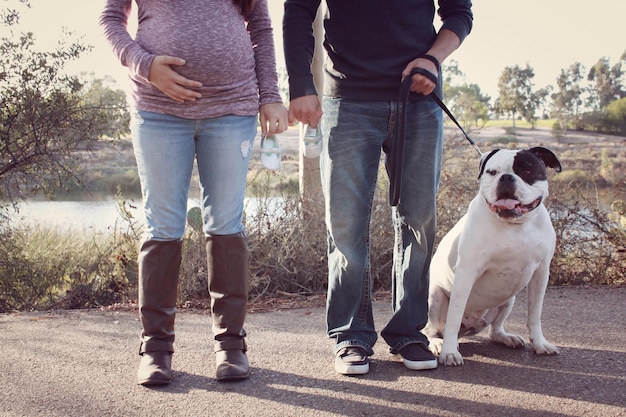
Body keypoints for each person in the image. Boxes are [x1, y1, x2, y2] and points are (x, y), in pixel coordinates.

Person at [100, 0, 288, 385]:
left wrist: (270, 94)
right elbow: (111, 19)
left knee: (226, 222)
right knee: (163, 226)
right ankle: (155, 348)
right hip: (157, 110)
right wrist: (145, 64)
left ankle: (231, 345)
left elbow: (261, 29)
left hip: (233, 109)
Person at [283, 0, 473, 375]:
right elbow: (297, 12)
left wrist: (433, 59)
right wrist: (301, 84)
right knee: (346, 225)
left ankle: (409, 332)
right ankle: (351, 335)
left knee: (418, 220)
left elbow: (459, 13)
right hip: (347, 99)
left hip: (419, 97)